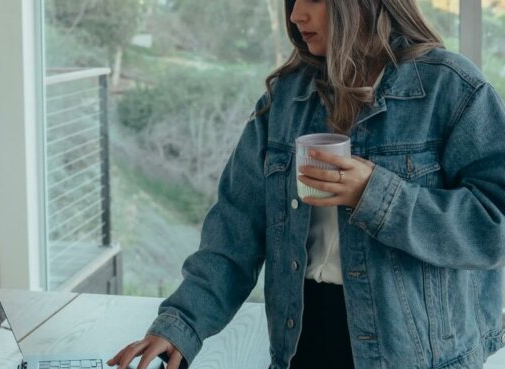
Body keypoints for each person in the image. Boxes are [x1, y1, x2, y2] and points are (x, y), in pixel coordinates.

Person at [108, 0, 505, 368]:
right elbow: (234, 229)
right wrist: (181, 325)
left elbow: (495, 225)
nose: (296, 14)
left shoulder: (451, 88)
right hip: (302, 345)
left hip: (418, 356)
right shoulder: (284, 100)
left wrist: (377, 196)